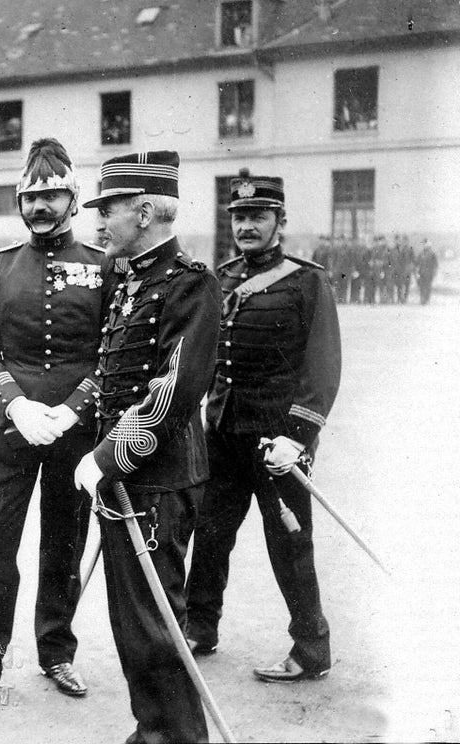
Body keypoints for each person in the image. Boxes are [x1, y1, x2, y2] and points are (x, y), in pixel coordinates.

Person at [0, 138, 118, 707]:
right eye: (31, 197)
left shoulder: (103, 268)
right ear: (19, 200)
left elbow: (111, 354)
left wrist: (71, 410)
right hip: (9, 431)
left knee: (64, 540)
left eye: (53, 195)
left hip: (74, 432)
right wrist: (15, 404)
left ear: (73, 197)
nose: (41, 207)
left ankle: (57, 652)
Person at [72, 151, 220, 744]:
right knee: (134, 625)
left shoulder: (190, 284)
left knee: (156, 625)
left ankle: (176, 738)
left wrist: (106, 457)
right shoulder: (131, 280)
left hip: (155, 481)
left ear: (147, 210)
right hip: (129, 483)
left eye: (109, 209)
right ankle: (153, 730)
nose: (100, 222)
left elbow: (172, 392)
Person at [184, 172, 341, 683]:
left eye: (258, 216)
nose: (247, 226)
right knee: (209, 536)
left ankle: (311, 650)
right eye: (240, 217)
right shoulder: (222, 278)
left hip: (277, 443)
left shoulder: (307, 281)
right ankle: (200, 628)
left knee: (290, 546)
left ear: (280, 221)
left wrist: (297, 438)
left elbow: (322, 369)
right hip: (224, 434)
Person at [416, 239, 438, 305]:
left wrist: (434, 272)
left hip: (429, 273)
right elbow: (417, 262)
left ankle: (427, 299)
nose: (425, 246)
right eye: (424, 244)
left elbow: (435, 264)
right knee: (421, 286)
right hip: (421, 273)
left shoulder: (432, 254)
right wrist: (417, 271)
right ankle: (422, 299)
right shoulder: (421, 254)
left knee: (428, 286)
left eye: (426, 244)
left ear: (429, 245)